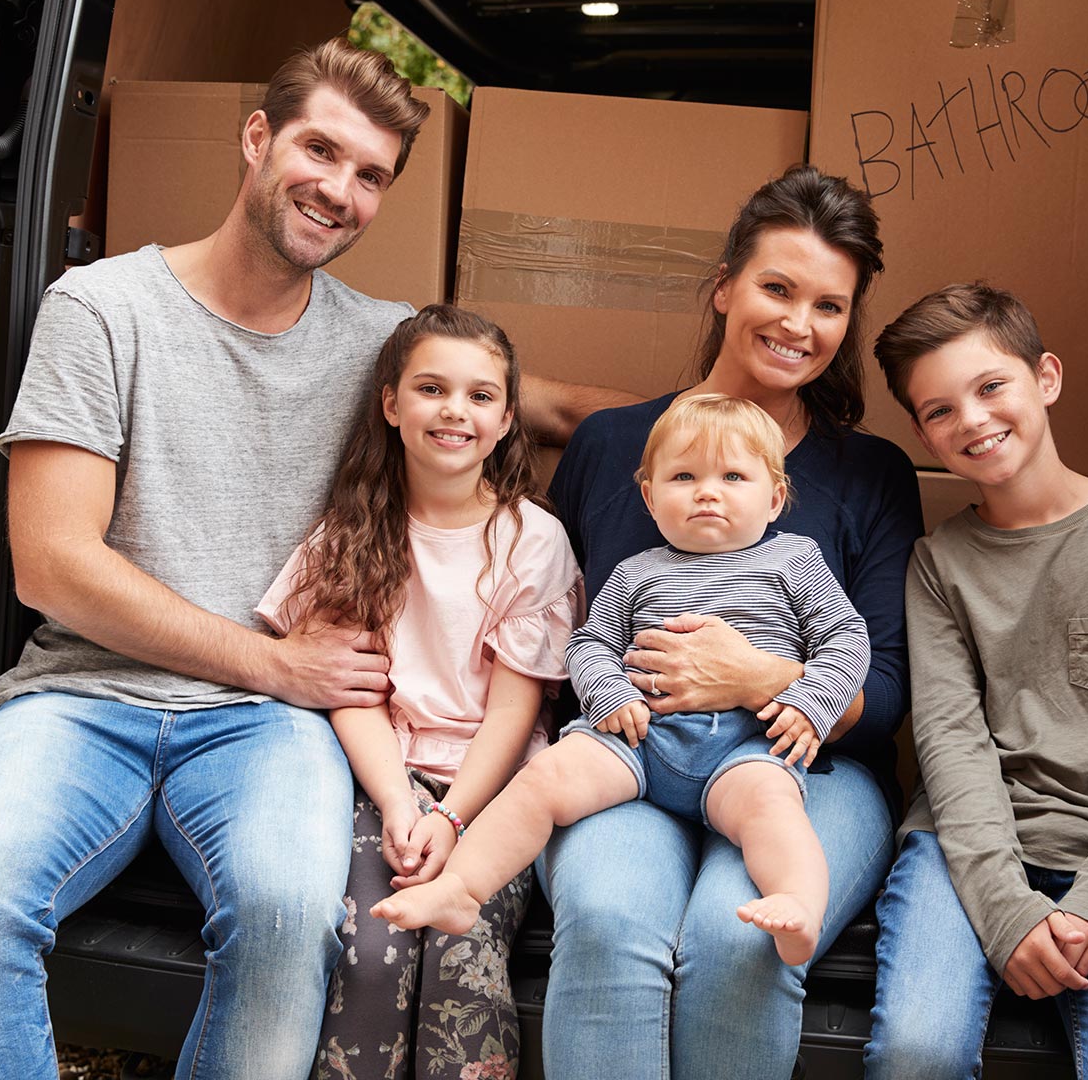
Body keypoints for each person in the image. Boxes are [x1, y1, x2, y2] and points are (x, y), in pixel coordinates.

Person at [0, 39, 618, 1080]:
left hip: (265, 732)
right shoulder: (102, 310)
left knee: (292, 915)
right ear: (256, 138)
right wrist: (277, 663)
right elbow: (52, 566)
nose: (339, 190)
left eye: (371, 175)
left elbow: (541, 403)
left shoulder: (385, 347)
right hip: (87, 697)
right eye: (319, 151)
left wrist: (731, 425)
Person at [538, 166, 925, 1079]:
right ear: (723, 290)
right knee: (605, 920)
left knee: (738, 936)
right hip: (634, 755)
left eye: (829, 306)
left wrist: (759, 679)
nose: (799, 324)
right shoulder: (609, 448)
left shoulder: (870, 475)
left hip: (807, 770)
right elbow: (558, 636)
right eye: (777, 288)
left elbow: (889, 687)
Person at [374, 394, 870, 968]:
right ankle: (463, 888)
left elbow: (845, 641)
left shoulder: (793, 561)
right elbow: (589, 646)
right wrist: (611, 694)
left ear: (776, 497)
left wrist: (811, 704)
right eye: (684, 476)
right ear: (650, 497)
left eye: (734, 476)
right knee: (546, 776)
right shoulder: (637, 572)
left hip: (745, 746)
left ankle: (799, 903)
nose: (708, 491)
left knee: (772, 806)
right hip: (637, 741)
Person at [864, 282, 1088, 1080]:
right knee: (918, 1048)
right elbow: (949, 742)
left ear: (1045, 378)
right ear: (920, 432)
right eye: (939, 411)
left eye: (991, 387)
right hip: (964, 850)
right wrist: (1007, 912)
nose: (973, 421)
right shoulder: (938, 563)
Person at [255, 303, 582, 1080]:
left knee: (461, 959)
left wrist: (453, 814)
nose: (454, 412)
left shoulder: (532, 541)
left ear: (507, 419)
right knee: (370, 950)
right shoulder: (349, 534)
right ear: (392, 403)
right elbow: (350, 691)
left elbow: (516, 708)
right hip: (382, 782)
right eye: (432, 389)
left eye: (479, 396)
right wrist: (402, 805)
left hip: (494, 792)